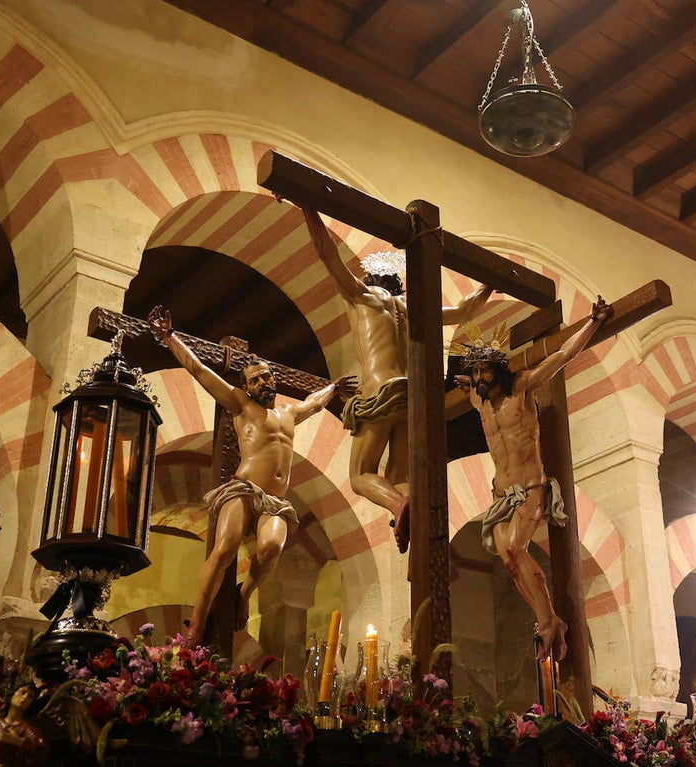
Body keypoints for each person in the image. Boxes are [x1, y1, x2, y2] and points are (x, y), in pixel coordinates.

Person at [147, 305, 354, 644]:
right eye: (255, 379)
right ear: (246, 386)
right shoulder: (241, 405)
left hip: (275, 501)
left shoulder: (289, 413)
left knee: (271, 548)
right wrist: (170, 337)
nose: (262, 382)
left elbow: (315, 402)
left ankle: (244, 593)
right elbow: (199, 370)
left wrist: (332, 388)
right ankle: (196, 623)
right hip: (243, 489)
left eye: (266, 376)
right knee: (224, 548)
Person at [304, 208, 492, 552]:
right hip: (412, 397)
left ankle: (398, 504)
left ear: (371, 280)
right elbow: (465, 311)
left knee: (361, 476)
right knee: (400, 476)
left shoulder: (361, 295)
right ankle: (416, 525)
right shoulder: (412, 309)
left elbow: (326, 253)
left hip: (381, 391)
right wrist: (489, 282)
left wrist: (308, 207)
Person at [453, 297, 613, 661]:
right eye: (474, 373)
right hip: (501, 495)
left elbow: (563, 356)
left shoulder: (521, 387)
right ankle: (549, 619)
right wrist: (467, 382)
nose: (478, 379)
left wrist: (593, 323)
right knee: (510, 561)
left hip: (530, 487)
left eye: (483, 371)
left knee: (515, 549)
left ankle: (547, 622)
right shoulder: (479, 402)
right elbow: (470, 386)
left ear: (499, 369)